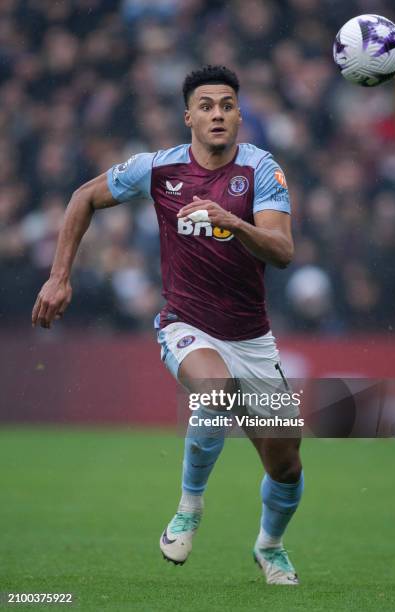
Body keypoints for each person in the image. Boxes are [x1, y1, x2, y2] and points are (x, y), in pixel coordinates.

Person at [32, 65, 304, 586]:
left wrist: (235, 223)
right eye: (206, 105)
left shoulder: (262, 169)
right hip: (185, 323)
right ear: (189, 117)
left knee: (286, 464)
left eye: (227, 104)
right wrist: (59, 277)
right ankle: (189, 506)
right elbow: (83, 197)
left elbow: (284, 251)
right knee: (214, 390)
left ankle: (270, 545)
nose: (218, 113)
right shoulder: (157, 169)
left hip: (251, 336)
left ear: (240, 115)